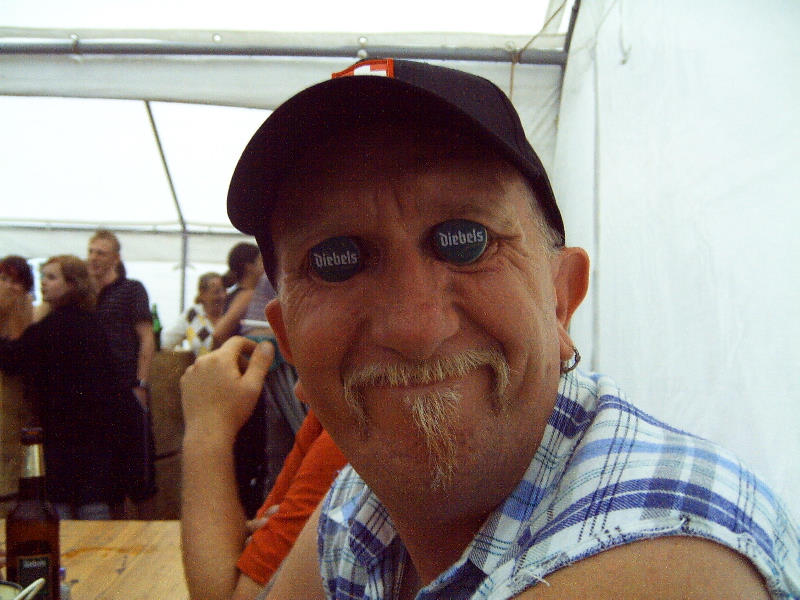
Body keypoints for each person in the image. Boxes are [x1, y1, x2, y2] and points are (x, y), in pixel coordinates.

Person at [188, 58, 800, 599]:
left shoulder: (672, 547)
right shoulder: (361, 502)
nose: (415, 328)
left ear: (561, 298)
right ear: (290, 343)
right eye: (336, 260)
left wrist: (207, 434)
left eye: (465, 240)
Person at [0, 255, 120, 519]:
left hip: (61, 432)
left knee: (62, 507)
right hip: (95, 433)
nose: (43, 282)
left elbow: (12, 358)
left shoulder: (51, 327)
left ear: (72, 284)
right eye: (43, 276)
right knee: (94, 507)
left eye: (52, 277)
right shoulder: (93, 324)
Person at [87, 228, 157, 514]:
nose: (93, 257)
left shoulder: (131, 289)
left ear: (115, 258)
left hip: (127, 387)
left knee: (140, 473)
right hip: (97, 393)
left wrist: (141, 382)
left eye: (100, 253)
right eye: (91, 251)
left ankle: (151, 533)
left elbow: (147, 336)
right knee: (108, 476)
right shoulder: (87, 295)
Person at [213, 242, 265, 347]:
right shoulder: (247, 296)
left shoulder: (238, 293)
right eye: (260, 260)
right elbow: (219, 333)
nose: (265, 265)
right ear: (249, 267)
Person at [162, 272, 226, 356]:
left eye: (224, 291)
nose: (222, 296)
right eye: (216, 292)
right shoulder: (191, 316)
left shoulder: (231, 313)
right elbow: (165, 342)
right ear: (202, 294)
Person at [0, 255, 34, 340]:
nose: (8, 286)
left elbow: (19, 339)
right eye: (3, 279)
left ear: (25, 286)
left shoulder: (26, 302)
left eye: (15, 281)